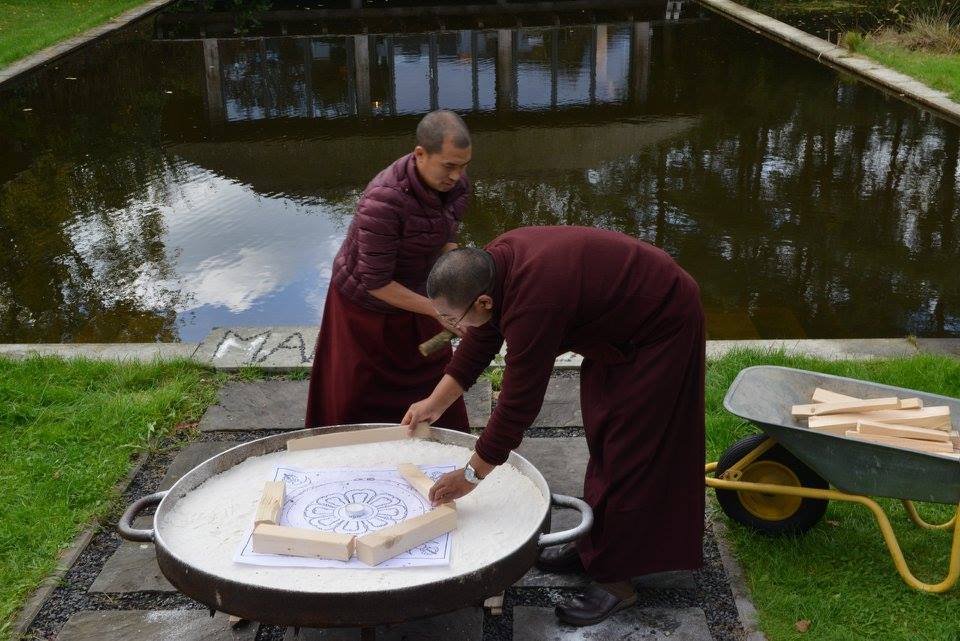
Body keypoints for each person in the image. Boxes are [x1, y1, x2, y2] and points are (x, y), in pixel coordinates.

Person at [402, 226, 705, 626]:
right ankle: (596, 545)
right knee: (606, 434)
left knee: (631, 451)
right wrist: (434, 403)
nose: (450, 325)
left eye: (451, 318)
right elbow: (481, 337)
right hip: (619, 323)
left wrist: (472, 474)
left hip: (661, 327)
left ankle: (616, 580)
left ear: (483, 300)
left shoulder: (534, 303)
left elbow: (518, 404)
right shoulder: (492, 266)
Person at [305, 110, 473, 431]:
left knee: (432, 376)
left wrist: (460, 288)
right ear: (420, 154)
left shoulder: (456, 186)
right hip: (365, 307)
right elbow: (376, 283)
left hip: (419, 294)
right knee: (359, 391)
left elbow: (445, 241)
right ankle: (353, 448)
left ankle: (439, 440)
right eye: (448, 166)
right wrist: (438, 310)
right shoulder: (383, 200)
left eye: (463, 166)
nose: (456, 175)